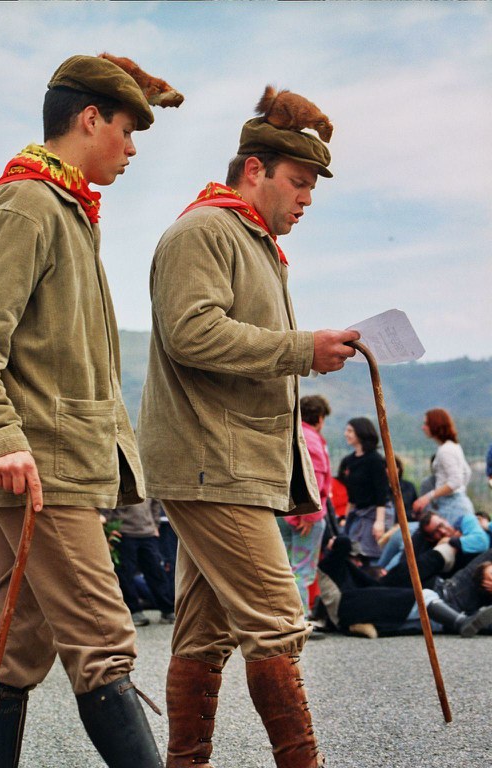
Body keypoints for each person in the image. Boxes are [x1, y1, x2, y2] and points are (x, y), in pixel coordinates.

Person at [137, 91, 360, 768]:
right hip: (214, 461)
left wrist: (306, 349)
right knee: (278, 623)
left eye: (313, 186)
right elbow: (192, 334)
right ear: (255, 169)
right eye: (298, 181)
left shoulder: (251, 240)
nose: (308, 198)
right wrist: (303, 348)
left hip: (229, 461)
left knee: (203, 634)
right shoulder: (205, 231)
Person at [0, 53, 180, 768]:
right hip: (42, 468)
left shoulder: (64, 207)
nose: (132, 150)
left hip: (56, 464)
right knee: (104, 643)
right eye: (127, 131)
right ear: (90, 119)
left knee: (12, 648)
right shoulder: (28, 204)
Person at [318, 537, 492, 638]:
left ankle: (462, 621)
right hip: (446, 597)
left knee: (427, 604)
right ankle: (461, 622)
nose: (358, 563)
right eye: (356, 559)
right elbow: (343, 544)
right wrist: (333, 541)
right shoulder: (347, 594)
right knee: (424, 597)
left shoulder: (359, 593)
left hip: (441, 614)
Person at [277, 395, 331, 622]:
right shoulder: (312, 440)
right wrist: (308, 514)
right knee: (301, 570)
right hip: (305, 516)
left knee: (285, 568)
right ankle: (300, 618)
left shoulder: (290, 433)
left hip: (283, 511)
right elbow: (314, 478)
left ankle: (284, 616)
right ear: (319, 418)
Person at [102, 500, 175, 628]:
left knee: (157, 571)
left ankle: (167, 609)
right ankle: (134, 611)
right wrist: (109, 527)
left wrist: (155, 524)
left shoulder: (147, 486)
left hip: (148, 532)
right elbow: (108, 502)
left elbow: (155, 502)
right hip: (123, 532)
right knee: (125, 574)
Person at [341, 417, 394, 563]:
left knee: (370, 554)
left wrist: (379, 522)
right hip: (358, 512)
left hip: (374, 512)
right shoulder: (349, 460)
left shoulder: (375, 460)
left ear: (361, 433)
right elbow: (352, 495)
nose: (346, 434)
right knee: (353, 552)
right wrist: (347, 517)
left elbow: (381, 492)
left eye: (350, 431)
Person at [412, 408, 474, 523]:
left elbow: (456, 481)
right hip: (460, 503)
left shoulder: (445, 450)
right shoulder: (454, 446)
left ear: (435, 425)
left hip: (451, 507)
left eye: (426, 424)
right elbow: (467, 472)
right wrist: (460, 491)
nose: (423, 427)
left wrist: (428, 497)